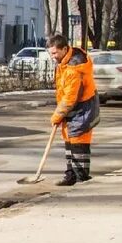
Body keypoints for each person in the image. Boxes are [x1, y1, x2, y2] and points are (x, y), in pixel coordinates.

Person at [47, 33, 99, 185]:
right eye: (51, 53)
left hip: (83, 108)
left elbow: (70, 96)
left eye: (55, 53)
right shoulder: (64, 63)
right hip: (73, 108)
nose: (53, 56)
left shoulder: (74, 67)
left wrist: (57, 115)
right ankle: (71, 176)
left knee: (78, 141)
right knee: (69, 140)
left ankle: (82, 178)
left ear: (64, 49)